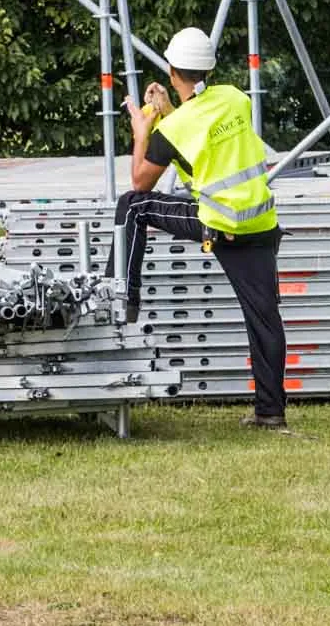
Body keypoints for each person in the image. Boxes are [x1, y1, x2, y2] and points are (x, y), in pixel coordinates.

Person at [116, 27, 288, 430]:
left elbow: (141, 180)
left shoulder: (173, 129)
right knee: (264, 318)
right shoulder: (235, 99)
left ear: (172, 71)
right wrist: (172, 109)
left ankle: (122, 300)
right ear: (208, 67)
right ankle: (270, 413)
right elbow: (201, 141)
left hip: (217, 222)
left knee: (133, 206)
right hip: (259, 223)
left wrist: (144, 129)